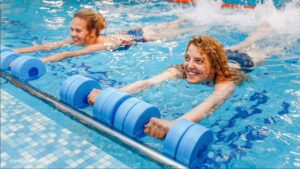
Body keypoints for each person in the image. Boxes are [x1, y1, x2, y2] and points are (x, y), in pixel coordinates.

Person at [87, 21, 278, 140]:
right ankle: (261, 29)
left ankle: (274, 36)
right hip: (223, 55)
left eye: (198, 61)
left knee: (265, 51)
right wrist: (111, 95)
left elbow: (211, 104)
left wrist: (175, 123)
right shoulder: (182, 69)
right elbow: (149, 82)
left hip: (242, 61)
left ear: (212, 65)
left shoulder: (226, 79)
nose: (189, 66)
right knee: (239, 45)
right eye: (187, 58)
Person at [13, 9, 190, 63]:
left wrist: (37, 62)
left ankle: (187, 21)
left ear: (91, 33)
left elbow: (69, 54)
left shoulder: (98, 45)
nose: (73, 34)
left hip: (140, 39)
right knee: (167, 25)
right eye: (72, 29)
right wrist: (15, 51)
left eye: (78, 31)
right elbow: (47, 46)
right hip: (129, 33)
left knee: (177, 32)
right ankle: (183, 19)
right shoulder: (78, 39)